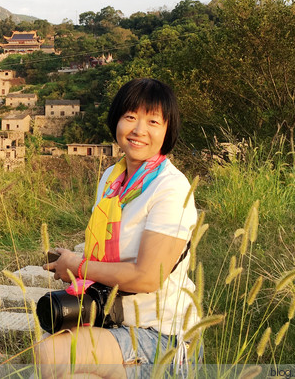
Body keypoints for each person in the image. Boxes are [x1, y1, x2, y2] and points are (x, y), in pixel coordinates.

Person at [35, 78, 199, 378]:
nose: (139, 130)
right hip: (110, 319)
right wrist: (71, 261)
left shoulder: (171, 188)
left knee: (52, 354)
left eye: (153, 121)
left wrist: (79, 265)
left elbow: (147, 276)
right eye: (131, 117)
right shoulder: (113, 177)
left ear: (168, 130)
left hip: (160, 335)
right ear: (117, 120)